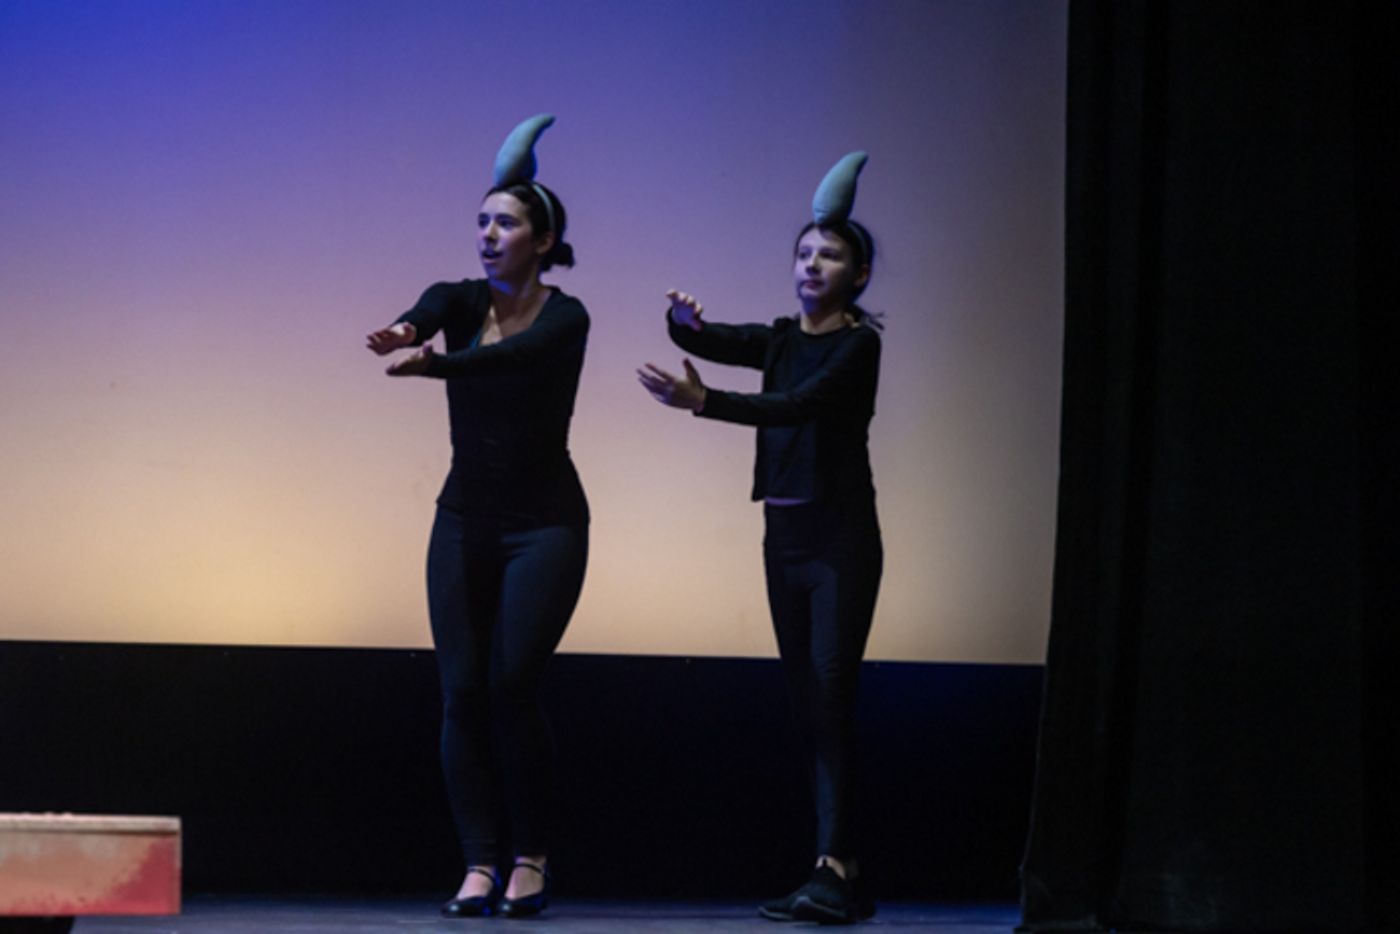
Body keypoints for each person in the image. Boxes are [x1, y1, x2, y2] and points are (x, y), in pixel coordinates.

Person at [637, 153, 883, 924]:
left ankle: (836, 866)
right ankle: (833, 866)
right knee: (808, 703)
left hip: (839, 540)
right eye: (804, 253)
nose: (813, 264)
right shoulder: (780, 337)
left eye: (830, 254)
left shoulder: (856, 347)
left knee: (832, 695)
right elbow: (720, 339)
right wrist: (685, 324)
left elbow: (797, 406)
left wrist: (703, 403)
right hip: (783, 539)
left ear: (860, 273)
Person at [366, 115, 586, 920]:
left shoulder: (568, 316)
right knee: (461, 692)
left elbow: (510, 360)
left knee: (511, 683)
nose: (489, 235)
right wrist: (407, 329)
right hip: (463, 520)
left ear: (543, 236)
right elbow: (428, 307)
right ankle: (480, 863)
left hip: (546, 527)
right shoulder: (460, 299)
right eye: (482, 222)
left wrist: (438, 366)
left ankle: (532, 854)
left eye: (506, 222)